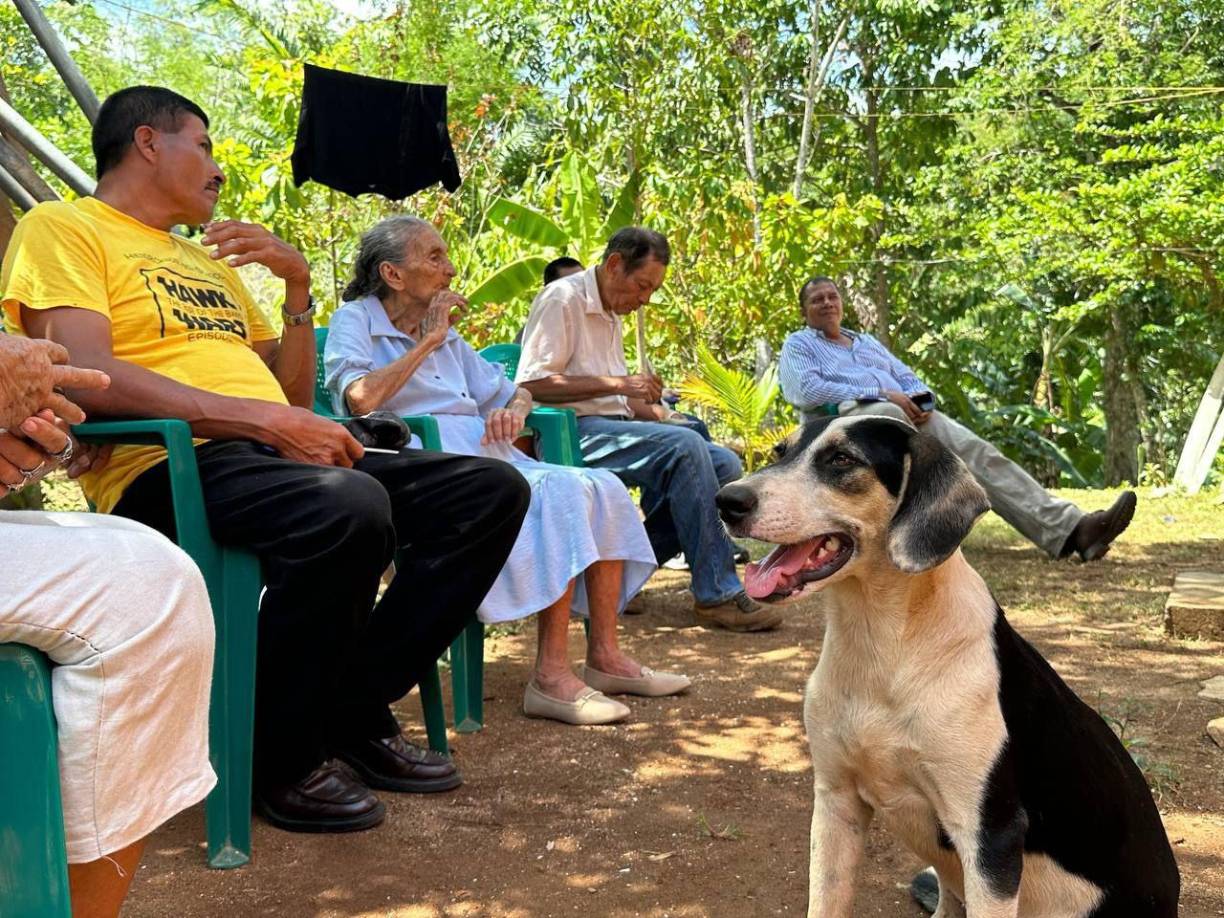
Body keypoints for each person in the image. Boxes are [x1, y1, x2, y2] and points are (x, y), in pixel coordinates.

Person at [1, 85, 531, 834]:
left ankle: (347, 708)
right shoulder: (65, 226)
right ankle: (277, 758)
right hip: (169, 465)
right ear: (148, 142)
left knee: (489, 491)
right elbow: (87, 372)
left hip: (271, 453)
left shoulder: (205, 261)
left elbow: (285, 385)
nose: (217, 169)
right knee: (347, 505)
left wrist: (298, 287)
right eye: (205, 146)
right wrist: (271, 424)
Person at [325, 216, 690, 725]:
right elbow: (359, 398)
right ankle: (551, 677)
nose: (450, 270)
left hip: (486, 453)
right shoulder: (358, 320)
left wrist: (511, 413)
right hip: (425, 464)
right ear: (392, 273)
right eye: (435, 258)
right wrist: (428, 341)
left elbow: (515, 391)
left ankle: (605, 657)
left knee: (603, 487)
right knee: (560, 493)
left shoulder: (447, 335)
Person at [0, 333, 215, 918]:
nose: (448, 270)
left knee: (143, 559)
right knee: (145, 592)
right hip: (194, 454)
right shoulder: (70, 242)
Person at [517, 227, 782, 632]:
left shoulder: (610, 311)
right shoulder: (562, 299)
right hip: (571, 432)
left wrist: (656, 410)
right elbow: (532, 385)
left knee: (724, 463)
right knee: (686, 449)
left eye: (652, 290)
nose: (644, 299)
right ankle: (717, 594)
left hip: (611, 425)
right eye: (642, 286)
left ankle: (619, 579)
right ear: (614, 265)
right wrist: (620, 384)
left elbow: (618, 400)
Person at [779, 276, 1137, 561]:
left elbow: (910, 380)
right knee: (891, 415)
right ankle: (909, 534)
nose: (827, 303)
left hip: (898, 415)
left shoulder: (866, 343)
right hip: (840, 426)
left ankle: (1071, 529)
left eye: (832, 296)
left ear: (841, 303)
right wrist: (882, 394)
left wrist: (920, 401)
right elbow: (804, 390)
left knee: (974, 451)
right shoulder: (800, 344)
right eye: (817, 299)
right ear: (804, 311)